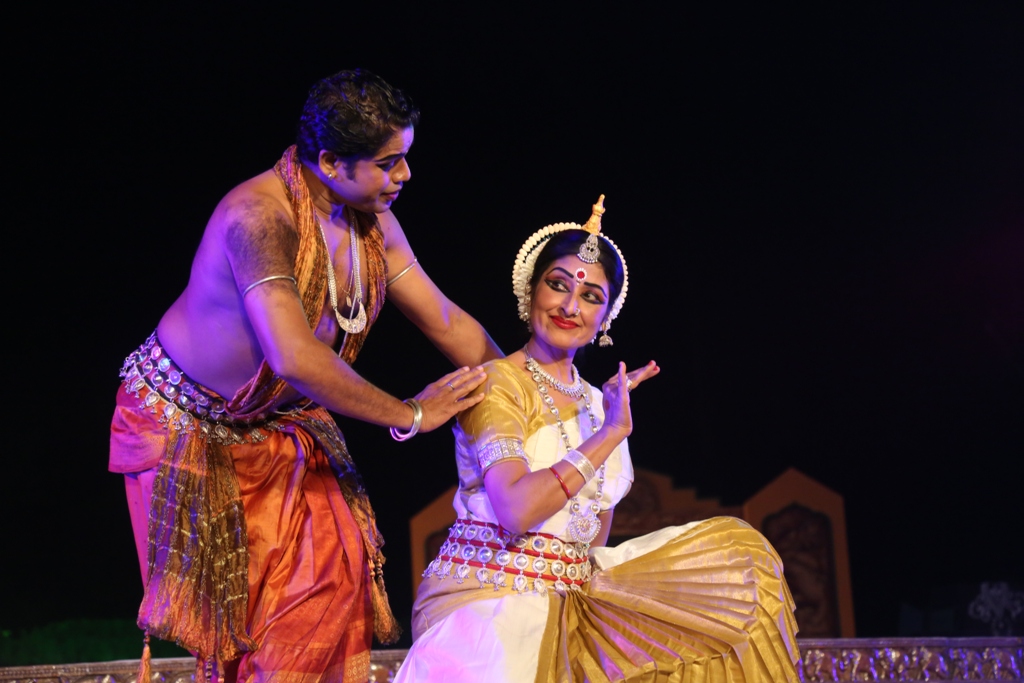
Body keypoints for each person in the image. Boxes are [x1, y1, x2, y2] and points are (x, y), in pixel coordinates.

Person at [108, 69, 502, 683]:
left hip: (284, 427)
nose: (404, 175)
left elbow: (445, 319)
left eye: (404, 158)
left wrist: (532, 389)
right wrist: (412, 413)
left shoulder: (372, 224)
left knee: (329, 596)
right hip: (185, 430)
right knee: (245, 634)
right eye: (388, 163)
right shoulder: (257, 217)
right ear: (330, 162)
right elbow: (293, 355)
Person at [394, 196, 801, 682]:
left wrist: (609, 426)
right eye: (557, 285)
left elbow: (588, 541)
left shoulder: (601, 403)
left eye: (590, 296)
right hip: (487, 603)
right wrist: (608, 435)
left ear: (605, 316)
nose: (570, 306)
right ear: (530, 291)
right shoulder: (500, 383)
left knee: (738, 570)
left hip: (568, 604)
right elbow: (516, 510)